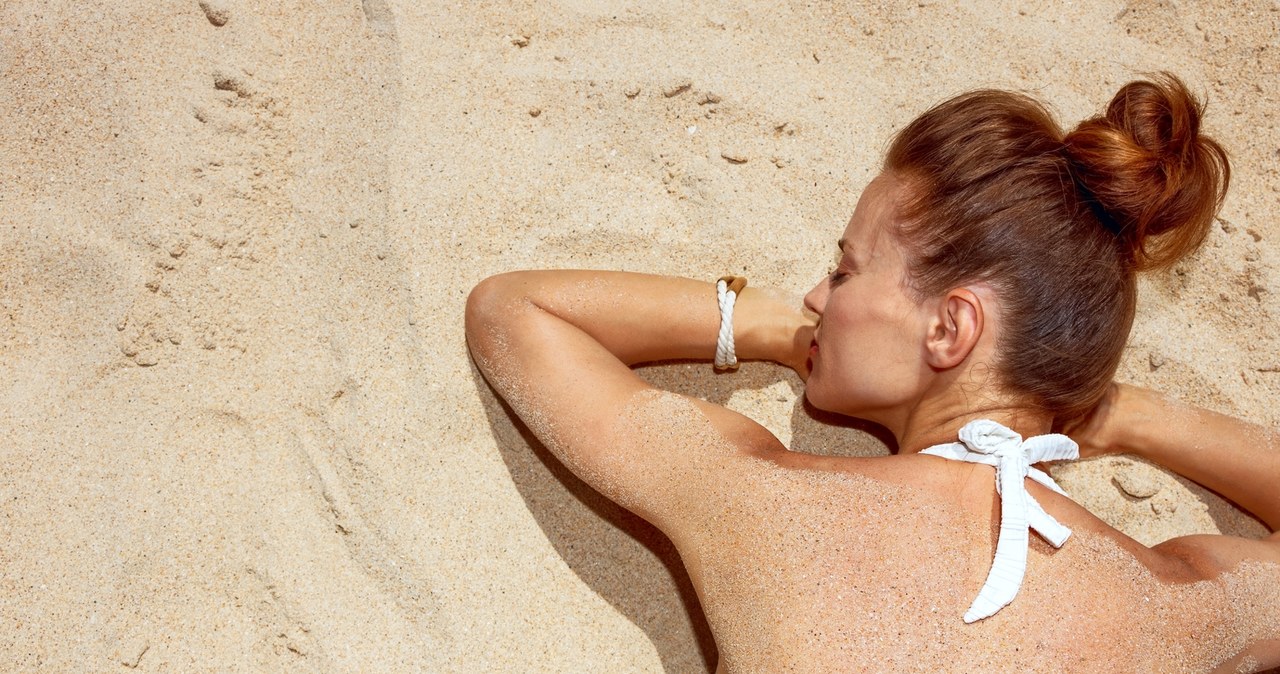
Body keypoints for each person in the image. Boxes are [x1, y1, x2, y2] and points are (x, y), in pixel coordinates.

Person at [465, 74, 1280, 672]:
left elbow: (516, 312)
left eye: (846, 271)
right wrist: (1128, 417)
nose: (818, 296)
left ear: (950, 328)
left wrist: (771, 329)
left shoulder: (770, 506)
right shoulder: (1169, 607)